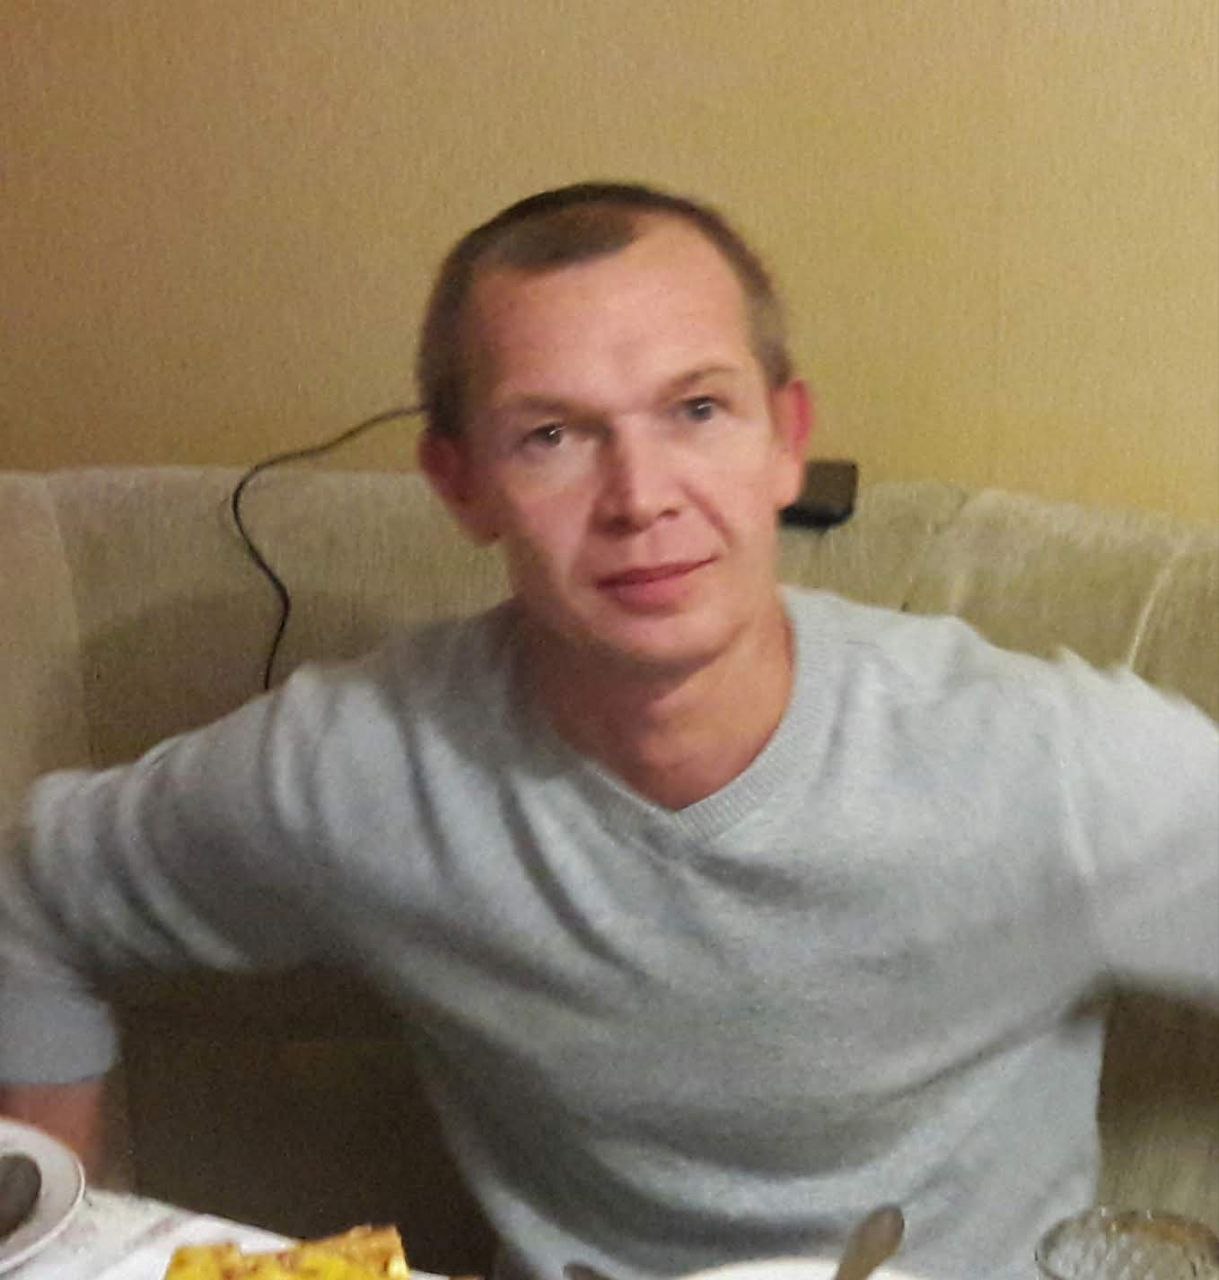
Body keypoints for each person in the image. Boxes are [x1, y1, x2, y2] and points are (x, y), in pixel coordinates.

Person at [1, 182, 1216, 1280]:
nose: (641, 497)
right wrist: (59, 1236)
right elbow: (34, 901)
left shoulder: (1038, 764)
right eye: (551, 434)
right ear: (459, 483)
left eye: (697, 408)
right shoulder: (367, 764)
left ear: (786, 439)